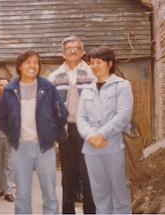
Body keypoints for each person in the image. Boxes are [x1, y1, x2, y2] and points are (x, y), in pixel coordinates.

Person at [0, 50, 68, 214]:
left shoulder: (48, 87)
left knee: (50, 193)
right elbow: (2, 118)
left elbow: (61, 113)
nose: (32, 65)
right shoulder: (9, 90)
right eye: (28, 62)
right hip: (20, 148)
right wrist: (13, 135)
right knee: (22, 194)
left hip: (45, 148)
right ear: (20, 66)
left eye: (35, 62)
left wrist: (53, 134)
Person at [76, 45, 133, 214]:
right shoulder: (87, 89)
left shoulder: (122, 86)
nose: (94, 66)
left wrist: (101, 134)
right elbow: (80, 118)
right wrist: (91, 135)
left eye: (98, 62)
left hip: (115, 146)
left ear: (109, 63)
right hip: (91, 149)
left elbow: (123, 116)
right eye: (91, 62)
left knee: (120, 192)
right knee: (99, 195)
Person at [48, 35, 96, 214]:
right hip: (66, 131)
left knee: (88, 176)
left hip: (87, 131)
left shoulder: (92, 73)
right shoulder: (54, 76)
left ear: (82, 52)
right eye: (69, 48)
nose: (73, 51)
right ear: (63, 54)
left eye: (76, 48)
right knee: (67, 177)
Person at [0, 78, 15, 202]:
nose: (4, 87)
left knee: (9, 163)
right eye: (1, 85)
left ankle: (8, 191)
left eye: (7, 85)